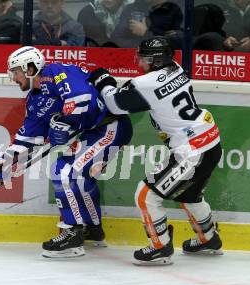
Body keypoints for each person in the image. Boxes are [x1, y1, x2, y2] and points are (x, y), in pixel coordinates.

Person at [0, 46, 133, 258]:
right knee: (78, 176)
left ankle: (72, 233)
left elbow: (82, 99)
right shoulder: (35, 101)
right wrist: (5, 161)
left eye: (15, 72)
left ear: (30, 68)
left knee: (65, 172)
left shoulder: (58, 73)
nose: (13, 77)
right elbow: (28, 139)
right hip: (94, 132)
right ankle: (92, 229)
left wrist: (64, 122)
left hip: (111, 126)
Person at [89, 36, 223, 265]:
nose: (139, 63)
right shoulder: (177, 68)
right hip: (210, 141)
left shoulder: (146, 84)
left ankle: (160, 246)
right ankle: (208, 238)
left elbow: (114, 104)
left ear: (156, 60)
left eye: (143, 59)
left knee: (145, 194)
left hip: (192, 150)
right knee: (189, 194)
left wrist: (103, 80)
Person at [111, 0, 183, 48]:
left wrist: (146, 33)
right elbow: (116, 39)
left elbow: (180, 41)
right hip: (131, 61)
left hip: (164, 62)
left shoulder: (178, 8)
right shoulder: (131, 9)